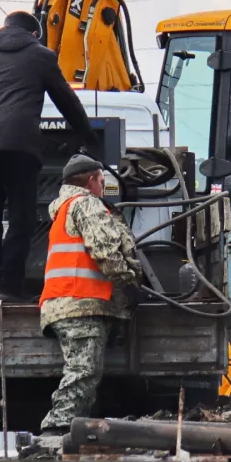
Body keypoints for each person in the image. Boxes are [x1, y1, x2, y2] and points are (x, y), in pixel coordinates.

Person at [0, 11, 94, 299]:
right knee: (21, 216)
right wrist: (87, 134)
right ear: (35, 34)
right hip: (20, 143)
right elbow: (66, 100)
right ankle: (10, 288)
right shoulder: (40, 55)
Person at [37, 155, 144, 444]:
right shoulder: (85, 204)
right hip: (79, 303)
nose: (103, 186)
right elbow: (106, 250)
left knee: (85, 373)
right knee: (83, 372)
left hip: (68, 303)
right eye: (101, 180)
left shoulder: (64, 208)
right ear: (90, 181)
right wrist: (128, 282)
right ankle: (55, 433)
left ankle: (72, 436)